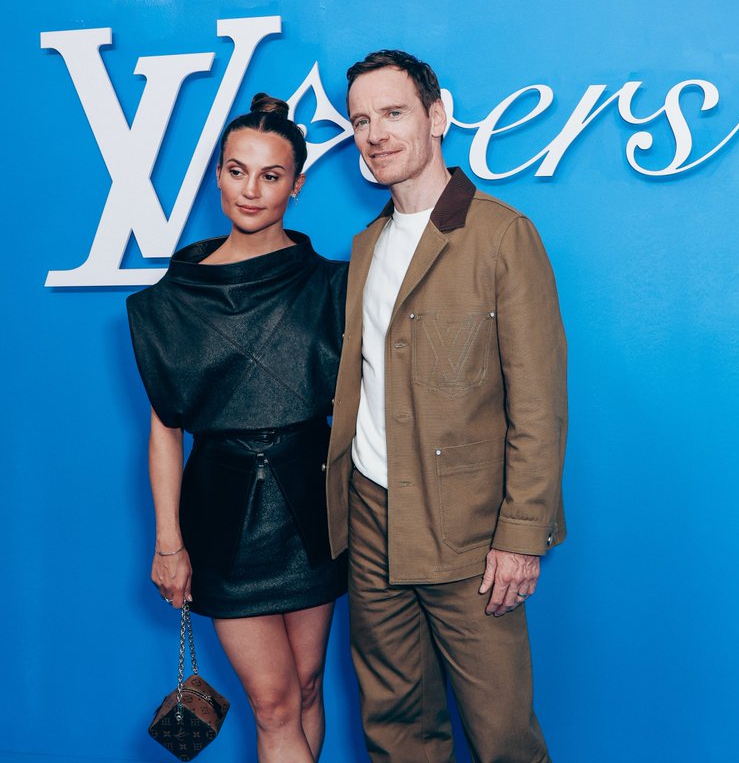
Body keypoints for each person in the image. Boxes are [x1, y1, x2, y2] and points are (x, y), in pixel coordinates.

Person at [325, 50, 568, 762]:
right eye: (360, 120)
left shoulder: (501, 234)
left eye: (393, 113)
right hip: (372, 520)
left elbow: (539, 402)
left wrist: (521, 534)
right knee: (396, 729)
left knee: (503, 738)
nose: (375, 134)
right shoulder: (366, 245)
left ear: (436, 117)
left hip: (468, 530)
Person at [127, 93, 347, 763]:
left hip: (314, 508)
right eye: (236, 170)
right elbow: (165, 431)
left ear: (296, 185)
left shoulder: (334, 286)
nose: (251, 190)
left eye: (271, 175)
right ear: (217, 176)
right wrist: (169, 543)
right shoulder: (170, 302)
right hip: (223, 519)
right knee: (274, 704)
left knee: (307, 686)